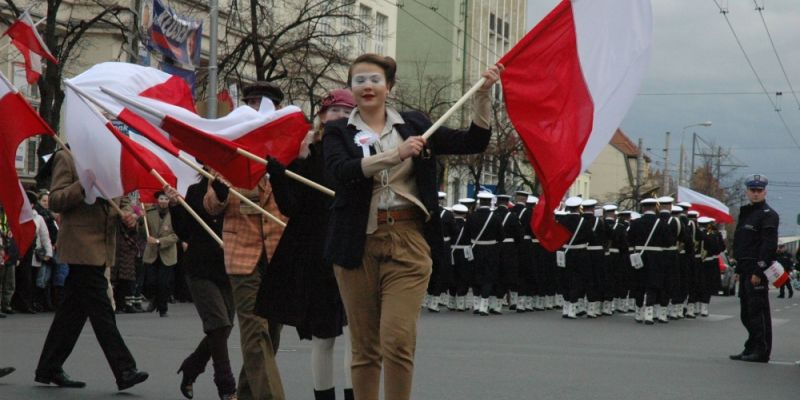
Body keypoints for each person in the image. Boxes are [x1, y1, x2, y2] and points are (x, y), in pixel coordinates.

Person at [322, 53, 501, 400]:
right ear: (351, 88)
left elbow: (473, 142)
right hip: (356, 244)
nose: (367, 86)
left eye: (375, 79)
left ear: (389, 87)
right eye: (359, 80)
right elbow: (340, 173)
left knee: (397, 339)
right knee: (364, 347)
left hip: (408, 241)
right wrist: (395, 154)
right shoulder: (337, 132)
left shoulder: (416, 124)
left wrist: (482, 94)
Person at [256, 88, 355, 400]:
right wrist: (281, 176)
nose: (339, 116)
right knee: (324, 337)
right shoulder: (306, 155)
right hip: (319, 257)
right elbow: (290, 208)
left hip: (355, 249)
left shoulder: (363, 151)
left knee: (358, 338)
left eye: (345, 111)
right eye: (333, 111)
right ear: (322, 118)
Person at [35, 148, 148, 390]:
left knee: (71, 313)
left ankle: (49, 366)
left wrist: (130, 214)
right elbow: (55, 199)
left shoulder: (110, 156)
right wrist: (82, 186)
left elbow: (125, 198)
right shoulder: (68, 155)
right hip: (81, 246)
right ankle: (124, 369)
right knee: (102, 311)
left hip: (103, 245)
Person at [204, 80, 288, 400]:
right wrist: (222, 194)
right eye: (252, 102)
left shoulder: (288, 149)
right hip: (243, 253)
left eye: (264, 104)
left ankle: (245, 395)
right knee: (255, 333)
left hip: (279, 252)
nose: (257, 109)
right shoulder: (230, 150)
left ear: (276, 110)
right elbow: (211, 204)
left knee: (272, 335)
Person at [173, 177, 237, 400]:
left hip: (228, 267)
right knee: (218, 324)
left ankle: (192, 367)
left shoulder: (236, 189)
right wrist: (174, 207)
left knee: (224, 327)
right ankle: (227, 386)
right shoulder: (195, 191)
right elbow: (183, 230)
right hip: (199, 267)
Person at [730, 174, 778, 363]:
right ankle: (751, 346)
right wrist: (738, 269)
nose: (756, 194)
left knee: (757, 311)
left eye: (759, 191)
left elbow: (768, 245)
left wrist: (760, 270)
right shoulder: (747, 213)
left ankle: (761, 350)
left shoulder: (768, 215)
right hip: (745, 268)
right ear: (747, 191)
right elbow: (742, 243)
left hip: (756, 269)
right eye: (752, 190)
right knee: (746, 312)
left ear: (765, 191)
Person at [142, 191, 179, 317]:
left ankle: (163, 309)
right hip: (151, 253)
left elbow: (176, 236)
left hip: (167, 253)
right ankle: (154, 299)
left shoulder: (175, 214)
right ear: (157, 199)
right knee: (150, 281)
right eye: (161, 198)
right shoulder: (149, 213)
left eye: (166, 199)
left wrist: (159, 241)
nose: (163, 201)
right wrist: (141, 221)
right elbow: (143, 232)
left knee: (164, 283)